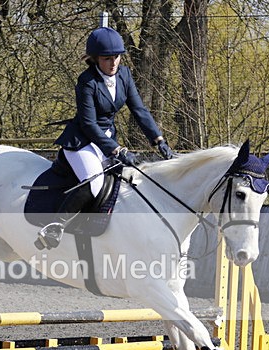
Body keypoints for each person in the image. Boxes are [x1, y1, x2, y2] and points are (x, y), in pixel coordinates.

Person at [36, 26, 175, 250]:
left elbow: (139, 109)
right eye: (107, 58)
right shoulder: (87, 81)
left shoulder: (124, 74)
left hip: (106, 140)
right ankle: (55, 225)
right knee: (95, 180)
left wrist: (159, 140)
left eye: (117, 57)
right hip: (82, 142)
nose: (113, 63)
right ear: (95, 59)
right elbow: (89, 124)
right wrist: (117, 150)